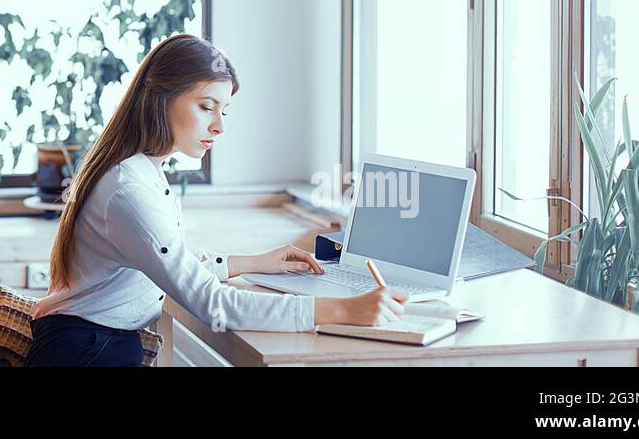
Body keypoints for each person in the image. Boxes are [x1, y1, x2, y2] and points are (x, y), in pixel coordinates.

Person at [27, 33, 407, 366]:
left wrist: (254, 262)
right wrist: (344, 309)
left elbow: (169, 269)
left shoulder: (143, 171)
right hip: (86, 353)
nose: (219, 126)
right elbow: (213, 304)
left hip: (94, 344)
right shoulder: (129, 191)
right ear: (160, 99)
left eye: (224, 111)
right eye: (206, 107)